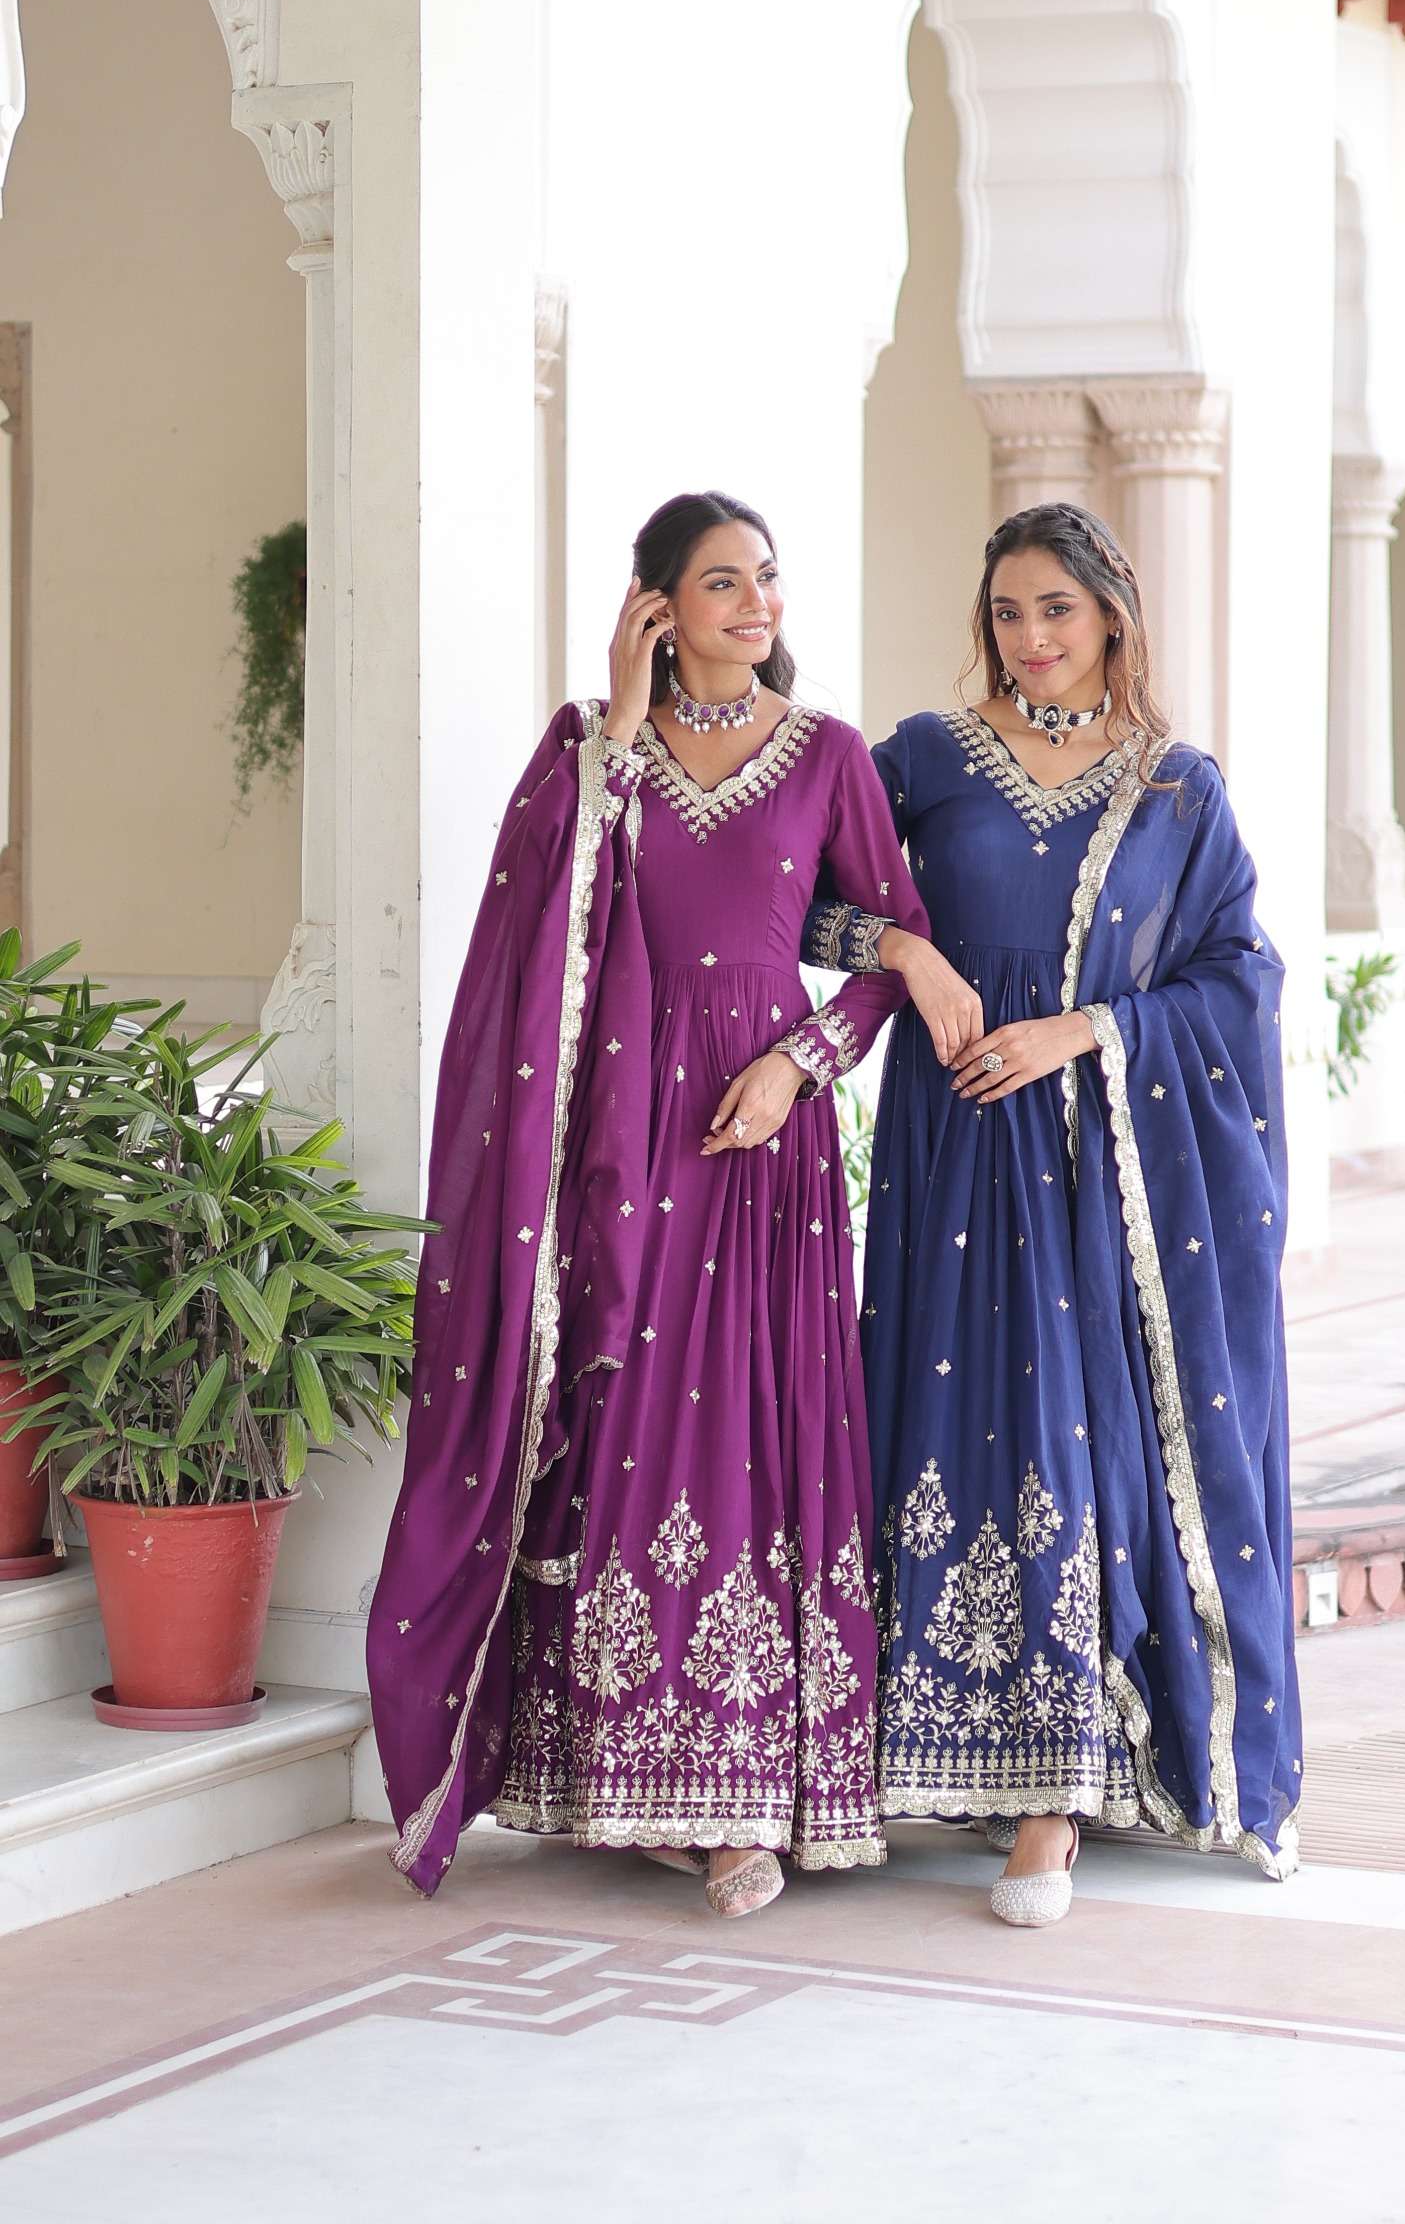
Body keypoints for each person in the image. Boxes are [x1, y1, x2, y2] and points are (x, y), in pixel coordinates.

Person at [369, 489, 924, 1919]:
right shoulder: (590, 751)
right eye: (722, 581)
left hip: (762, 1139)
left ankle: (748, 1794)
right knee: (618, 1428)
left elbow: (890, 949)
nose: (756, 603)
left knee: (752, 1434)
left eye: (766, 578)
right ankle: (618, 1779)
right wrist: (619, 724)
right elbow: (547, 922)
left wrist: (800, 1066)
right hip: (621, 1134)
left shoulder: (827, 754)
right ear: (658, 607)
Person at [803, 503, 1299, 1925]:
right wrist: (910, 954)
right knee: (945, 1421)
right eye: (1008, 612)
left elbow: (1237, 977)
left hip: (1096, 1167)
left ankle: (1055, 1796)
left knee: (1071, 1435)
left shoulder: (1175, 791)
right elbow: (803, 902)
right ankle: (926, 1752)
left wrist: (1086, 1030)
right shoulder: (924, 759)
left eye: (1057, 611)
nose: (1031, 637)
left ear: (1111, 618)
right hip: (949, 1145)